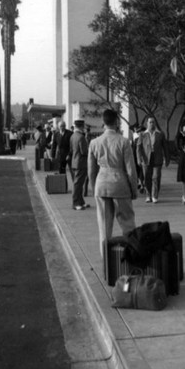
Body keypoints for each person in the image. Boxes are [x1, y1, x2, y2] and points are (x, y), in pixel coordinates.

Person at [88, 109, 137, 259]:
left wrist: (93, 187)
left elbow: (91, 170)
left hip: (101, 184)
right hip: (120, 184)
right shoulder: (124, 142)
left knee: (104, 227)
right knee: (127, 224)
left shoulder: (94, 142)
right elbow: (131, 170)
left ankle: (106, 263)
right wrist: (133, 189)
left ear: (103, 122)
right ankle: (131, 257)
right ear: (117, 122)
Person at [136, 116, 170, 203]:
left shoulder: (160, 134)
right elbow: (138, 148)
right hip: (146, 159)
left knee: (156, 177)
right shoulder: (142, 135)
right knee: (147, 177)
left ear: (155, 123)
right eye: (150, 122)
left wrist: (167, 158)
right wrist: (139, 159)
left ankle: (155, 196)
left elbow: (165, 147)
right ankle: (148, 195)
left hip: (157, 158)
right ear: (147, 124)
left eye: (153, 122)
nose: (152, 124)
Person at [70, 120, 89, 211]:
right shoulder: (81, 137)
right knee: (78, 184)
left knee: (79, 183)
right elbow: (84, 151)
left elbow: (72, 149)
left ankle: (81, 201)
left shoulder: (73, 136)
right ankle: (75, 203)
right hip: (81, 163)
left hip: (74, 162)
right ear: (81, 126)